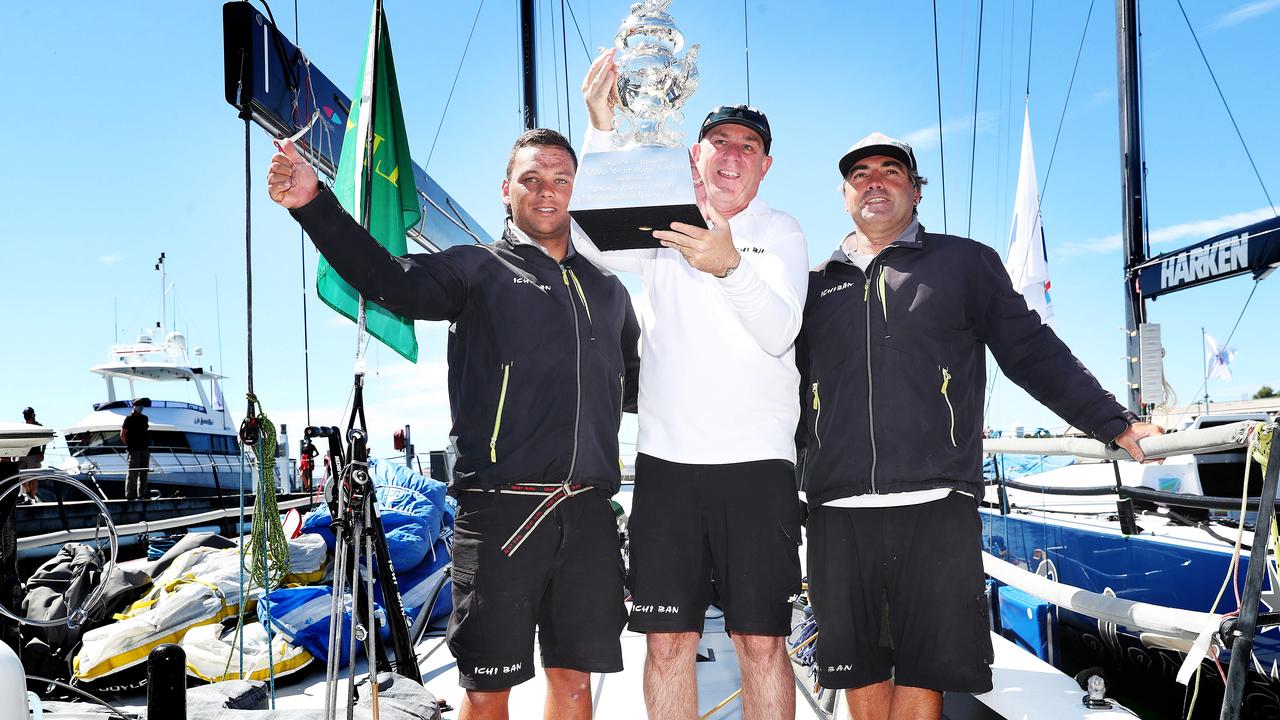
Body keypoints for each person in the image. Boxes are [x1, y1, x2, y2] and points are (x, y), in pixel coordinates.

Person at [267, 128, 641, 720]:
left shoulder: (609, 291)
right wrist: (314, 204)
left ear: (576, 189)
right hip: (500, 514)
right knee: (487, 690)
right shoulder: (475, 270)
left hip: (590, 515)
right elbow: (389, 279)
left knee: (573, 685)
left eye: (561, 180)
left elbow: (641, 384)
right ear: (506, 189)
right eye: (532, 179)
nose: (547, 192)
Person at [795, 132, 1164, 720]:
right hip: (838, 511)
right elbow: (787, 394)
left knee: (925, 670)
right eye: (860, 173)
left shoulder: (964, 263)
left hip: (936, 503)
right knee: (859, 669)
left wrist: (1113, 422)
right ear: (844, 195)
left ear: (916, 192)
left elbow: (1030, 351)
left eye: (890, 171)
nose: (874, 181)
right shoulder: (814, 284)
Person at [579, 50, 809, 719]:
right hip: (667, 471)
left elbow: (778, 332)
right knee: (668, 643)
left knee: (761, 643)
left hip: (759, 471)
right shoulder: (663, 222)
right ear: (693, 155)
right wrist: (601, 129)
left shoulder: (780, 231)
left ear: (765, 166)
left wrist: (729, 264)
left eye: (749, 147)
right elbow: (592, 245)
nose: (733, 156)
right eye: (720, 143)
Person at [120, 398, 151, 501]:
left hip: (144, 448)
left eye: (142, 406)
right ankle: (130, 495)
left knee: (144, 472)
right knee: (133, 472)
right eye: (139, 406)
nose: (141, 408)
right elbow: (123, 435)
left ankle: (143, 494)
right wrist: (129, 445)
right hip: (134, 449)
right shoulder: (128, 419)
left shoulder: (144, 418)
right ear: (134, 406)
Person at [19, 407, 45, 502]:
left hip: (34, 455)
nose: (26, 416)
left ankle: (32, 497)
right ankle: (28, 493)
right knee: (20, 476)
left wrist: (42, 453)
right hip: (23, 454)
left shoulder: (39, 426)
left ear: (33, 414)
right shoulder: (22, 426)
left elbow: (44, 441)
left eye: (27, 414)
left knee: (34, 477)